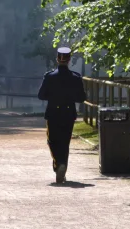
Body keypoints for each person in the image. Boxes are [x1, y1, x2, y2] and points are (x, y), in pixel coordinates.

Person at [37, 46, 86, 184]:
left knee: (52, 140)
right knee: (65, 141)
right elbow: (81, 98)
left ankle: (58, 163)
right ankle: (62, 164)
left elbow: (41, 95)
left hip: (53, 112)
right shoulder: (76, 78)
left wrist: (53, 95)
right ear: (69, 60)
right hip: (69, 113)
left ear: (57, 59)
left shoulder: (49, 76)